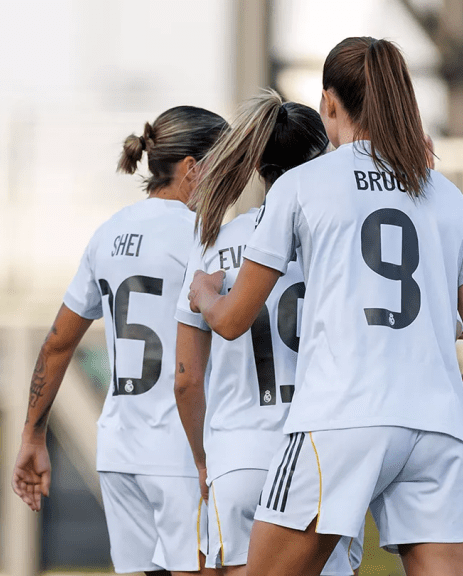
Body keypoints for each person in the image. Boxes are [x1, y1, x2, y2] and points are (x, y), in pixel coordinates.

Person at [185, 37, 463, 576]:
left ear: (329, 105)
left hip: (341, 420)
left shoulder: (302, 185)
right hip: (437, 427)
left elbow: (230, 321)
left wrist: (204, 293)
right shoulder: (446, 196)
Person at [12, 106, 228, 575]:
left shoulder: (107, 234)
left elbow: (57, 343)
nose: (231, 183)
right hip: (183, 453)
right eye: (226, 164)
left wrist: (32, 436)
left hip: (120, 452)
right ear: (194, 168)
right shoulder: (202, 237)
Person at [173, 91, 362, 575]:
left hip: (239, 454)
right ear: (322, 159)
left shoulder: (215, 240)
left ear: (258, 167)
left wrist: (202, 459)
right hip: (320, 457)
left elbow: (186, 378)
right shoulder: (340, 243)